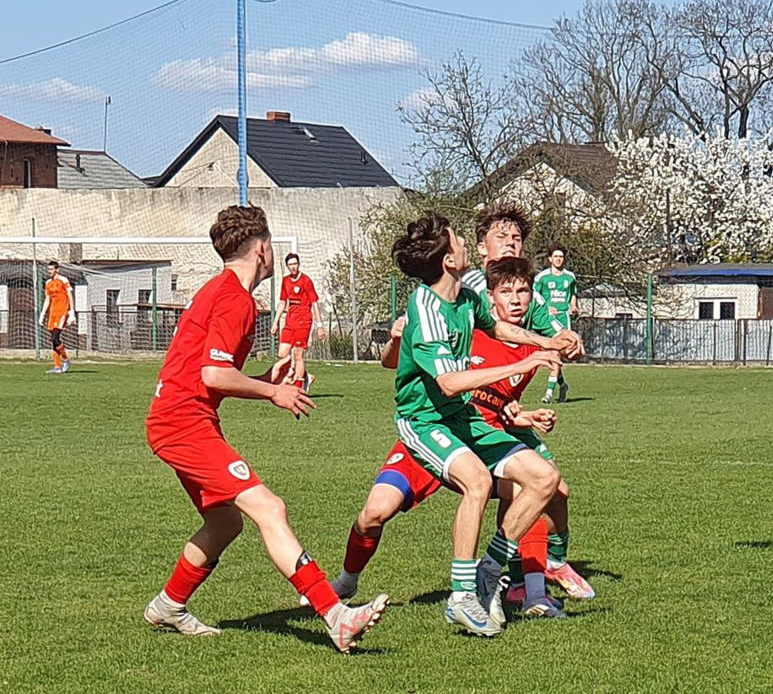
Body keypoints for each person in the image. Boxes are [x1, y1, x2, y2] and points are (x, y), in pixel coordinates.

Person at [143, 205, 388, 652]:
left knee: (225, 523)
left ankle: (168, 605)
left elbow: (208, 374)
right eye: (271, 244)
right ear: (261, 249)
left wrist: (261, 381)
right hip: (183, 424)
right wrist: (273, 392)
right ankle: (335, 616)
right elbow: (214, 375)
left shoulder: (219, 290)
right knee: (269, 508)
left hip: (180, 419)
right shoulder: (235, 299)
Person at [387, 211, 567, 636]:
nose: (467, 243)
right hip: (425, 420)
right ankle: (461, 596)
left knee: (545, 478)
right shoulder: (426, 309)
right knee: (478, 482)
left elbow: (498, 327)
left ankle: (490, 568)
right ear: (448, 260)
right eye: (458, 240)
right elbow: (449, 382)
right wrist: (524, 363)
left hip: (460, 416)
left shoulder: (465, 298)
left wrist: (545, 341)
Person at [469, 256, 583, 617]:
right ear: (490, 297)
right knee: (376, 512)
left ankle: (535, 583)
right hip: (455, 436)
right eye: (507, 292)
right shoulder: (471, 331)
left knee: (553, 489)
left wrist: (526, 416)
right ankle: (497, 579)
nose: (517, 299)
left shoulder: (532, 345)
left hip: (495, 434)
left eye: (523, 292)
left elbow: (501, 404)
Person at [271, 253, 325, 391]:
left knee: (298, 354)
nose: (293, 267)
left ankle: (298, 389)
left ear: (299, 264)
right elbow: (282, 302)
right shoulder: (286, 281)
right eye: (290, 264)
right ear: (287, 266)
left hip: (303, 321)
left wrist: (320, 326)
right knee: (282, 354)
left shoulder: (306, 281)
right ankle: (306, 376)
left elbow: (315, 303)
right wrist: (275, 322)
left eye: (295, 264)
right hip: (290, 321)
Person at [535, 242, 579, 404]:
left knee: (555, 354)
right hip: (546, 319)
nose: (559, 259)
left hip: (562, 319)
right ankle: (562, 385)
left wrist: (574, 306)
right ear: (550, 259)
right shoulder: (542, 277)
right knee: (551, 356)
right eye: (556, 257)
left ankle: (548, 394)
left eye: (561, 257)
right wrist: (546, 307)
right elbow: (535, 296)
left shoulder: (570, 277)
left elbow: (573, 294)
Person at [37, 260, 76, 374]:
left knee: (55, 337)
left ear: (57, 270)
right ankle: (57, 367)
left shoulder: (63, 280)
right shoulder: (48, 282)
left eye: (51, 269)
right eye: (48, 269)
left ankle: (66, 360)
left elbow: (70, 295)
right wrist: (42, 314)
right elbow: (47, 299)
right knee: (54, 340)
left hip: (62, 312)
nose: (49, 271)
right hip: (52, 313)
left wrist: (72, 312)